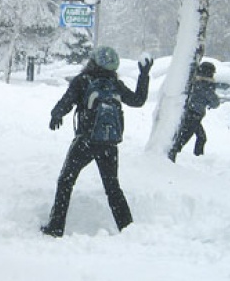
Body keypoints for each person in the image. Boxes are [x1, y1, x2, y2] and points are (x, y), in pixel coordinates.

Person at [41, 46, 153, 238]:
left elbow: (66, 101)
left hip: (85, 142)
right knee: (112, 187)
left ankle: (56, 227)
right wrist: (144, 75)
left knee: (66, 181)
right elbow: (137, 100)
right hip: (109, 144)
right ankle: (127, 228)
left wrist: (56, 115)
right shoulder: (114, 84)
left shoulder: (83, 81)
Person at [169, 61, 220, 162]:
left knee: (191, 136)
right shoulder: (206, 85)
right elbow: (215, 103)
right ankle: (196, 158)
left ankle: (195, 156)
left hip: (188, 112)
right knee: (186, 138)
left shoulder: (194, 82)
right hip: (195, 115)